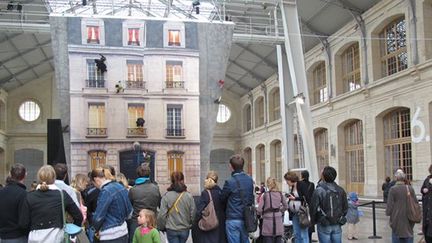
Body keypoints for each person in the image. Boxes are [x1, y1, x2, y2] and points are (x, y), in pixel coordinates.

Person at [20, 165, 83, 242]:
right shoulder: (62, 195)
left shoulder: (29, 196)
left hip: (35, 238)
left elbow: (23, 224)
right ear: (54, 178)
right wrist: (72, 234)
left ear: (39, 178)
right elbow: (79, 216)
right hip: (57, 237)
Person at [90, 167, 133, 242]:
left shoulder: (106, 191)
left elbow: (98, 216)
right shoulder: (120, 186)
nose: (95, 186)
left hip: (110, 235)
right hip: (124, 231)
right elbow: (130, 210)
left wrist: (93, 229)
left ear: (96, 179)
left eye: (94, 184)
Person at [221, 154, 254, 243]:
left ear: (231, 167)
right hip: (246, 217)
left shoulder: (230, 182)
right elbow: (251, 198)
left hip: (233, 218)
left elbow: (222, 199)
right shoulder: (249, 180)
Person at [310, 166, 348, 243]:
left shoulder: (319, 190)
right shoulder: (340, 190)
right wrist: (341, 217)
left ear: (323, 176)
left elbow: (313, 208)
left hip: (324, 223)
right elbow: (345, 207)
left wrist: (313, 222)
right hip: (337, 223)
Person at [158, 171, 196, 243]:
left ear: (171, 181)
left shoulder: (166, 196)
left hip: (171, 228)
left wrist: (162, 227)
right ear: (183, 180)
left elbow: (162, 215)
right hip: (185, 228)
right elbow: (193, 213)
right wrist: (190, 224)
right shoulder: (189, 196)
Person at [128, 164, 161, 242]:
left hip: (137, 221)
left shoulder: (133, 190)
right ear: (149, 174)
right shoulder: (155, 188)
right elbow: (159, 203)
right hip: (152, 220)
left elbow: (129, 205)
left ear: (138, 175)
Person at [193, 171, 227, 243]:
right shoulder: (221, 193)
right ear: (217, 181)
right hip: (220, 225)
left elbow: (199, 211)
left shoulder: (205, 193)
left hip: (209, 225)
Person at [386, 169, 418, 243]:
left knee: (396, 237)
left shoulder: (393, 189)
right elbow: (416, 203)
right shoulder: (410, 188)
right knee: (409, 236)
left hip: (396, 220)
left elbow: (389, 207)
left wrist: (388, 213)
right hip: (409, 219)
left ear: (396, 178)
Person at [0, 163, 28, 243]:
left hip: (2, 236)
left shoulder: (1, 192)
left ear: (10, 174)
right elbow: (24, 221)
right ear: (25, 175)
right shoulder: (23, 194)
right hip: (18, 236)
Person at [257, 177, 288, 243]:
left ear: (268, 185)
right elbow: (286, 206)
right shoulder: (280, 194)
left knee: (268, 239)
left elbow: (259, 209)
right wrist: (280, 211)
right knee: (278, 239)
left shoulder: (265, 195)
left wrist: (261, 214)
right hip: (278, 219)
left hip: (267, 219)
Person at [284, 172, 309, 243]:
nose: (286, 182)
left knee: (303, 234)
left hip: (302, 213)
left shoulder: (301, 184)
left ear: (290, 179)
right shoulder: (292, 187)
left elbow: (306, 197)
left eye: (287, 180)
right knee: (296, 234)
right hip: (294, 213)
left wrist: (295, 198)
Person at [300, 170, 316, 243]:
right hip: (310, 206)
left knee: (303, 223)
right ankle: (309, 239)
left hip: (302, 206)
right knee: (310, 223)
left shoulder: (300, 184)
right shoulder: (312, 184)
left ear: (302, 176)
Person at [421, 164, 432, 243]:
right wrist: (424, 190)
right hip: (427, 208)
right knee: (427, 231)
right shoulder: (427, 179)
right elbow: (422, 189)